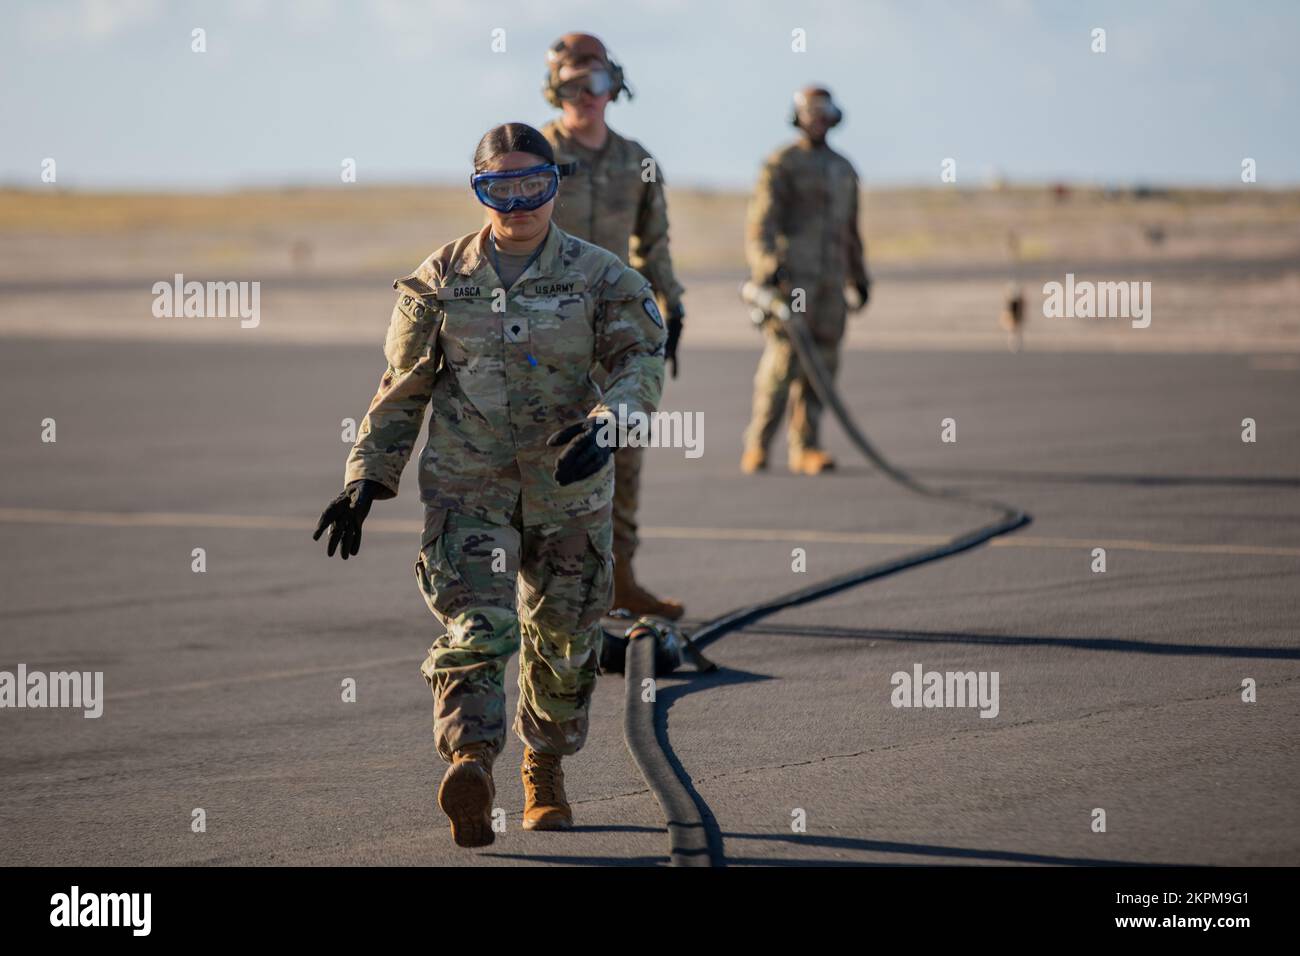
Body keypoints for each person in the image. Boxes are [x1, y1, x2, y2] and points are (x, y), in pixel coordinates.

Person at [313, 123, 666, 848]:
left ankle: (546, 767)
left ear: (555, 184)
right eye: (498, 188)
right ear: (477, 191)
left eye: (531, 185)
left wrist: (611, 423)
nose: (517, 203)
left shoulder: (601, 276)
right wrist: (366, 478)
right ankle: (472, 762)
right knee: (477, 629)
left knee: (564, 643)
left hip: (569, 494)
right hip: (468, 490)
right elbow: (402, 388)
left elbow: (641, 362)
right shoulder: (440, 279)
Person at [539, 32, 687, 620]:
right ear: (555, 89)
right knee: (547, 460)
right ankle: (552, 590)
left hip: (619, 335)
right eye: (573, 84)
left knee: (622, 457)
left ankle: (620, 581)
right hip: (548, 338)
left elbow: (655, 243)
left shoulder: (638, 160)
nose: (586, 95)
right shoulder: (535, 155)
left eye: (596, 82)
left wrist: (672, 308)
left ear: (614, 85)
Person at [741, 86, 872, 476]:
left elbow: (850, 230)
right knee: (783, 365)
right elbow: (759, 225)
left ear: (834, 116)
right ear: (797, 116)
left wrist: (859, 276)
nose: (817, 118)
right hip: (791, 286)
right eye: (810, 111)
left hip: (830, 286)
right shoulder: (782, 164)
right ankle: (758, 444)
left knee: (824, 366)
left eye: (823, 111)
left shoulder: (844, 169)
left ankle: (807, 446)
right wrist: (767, 269)